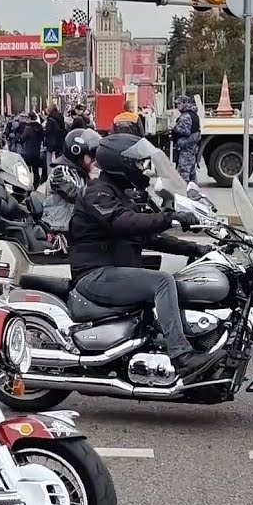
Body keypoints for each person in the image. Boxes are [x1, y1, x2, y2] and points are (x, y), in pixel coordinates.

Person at [66, 133, 211, 380]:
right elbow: (123, 222)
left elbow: (145, 237)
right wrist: (170, 218)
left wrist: (195, 249)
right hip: (95, 275)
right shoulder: (98, 193)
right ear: (119, 164)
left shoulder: (119, 193)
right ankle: (181, 355)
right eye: (137, 164)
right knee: (162, 281)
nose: (142, 170)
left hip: (113, 272)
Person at [42, 128, 99, 235]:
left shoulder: (78, 172)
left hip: (74, 227)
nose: (92, 160)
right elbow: (77, 194)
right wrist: (100, 190)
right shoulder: (60, 172)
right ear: (77, 152)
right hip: (59, 229)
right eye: (90, 156)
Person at [172, 95, 202, 182]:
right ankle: (193, 191)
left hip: (186, 149)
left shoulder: (186, 116)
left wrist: (174, 128)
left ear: (185, 103)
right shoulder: (193, 114)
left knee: (183, 174)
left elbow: (185, 131)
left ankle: (184, 192)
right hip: (192, 148)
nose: (177, 106)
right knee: (192, 173)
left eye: (179, 104)